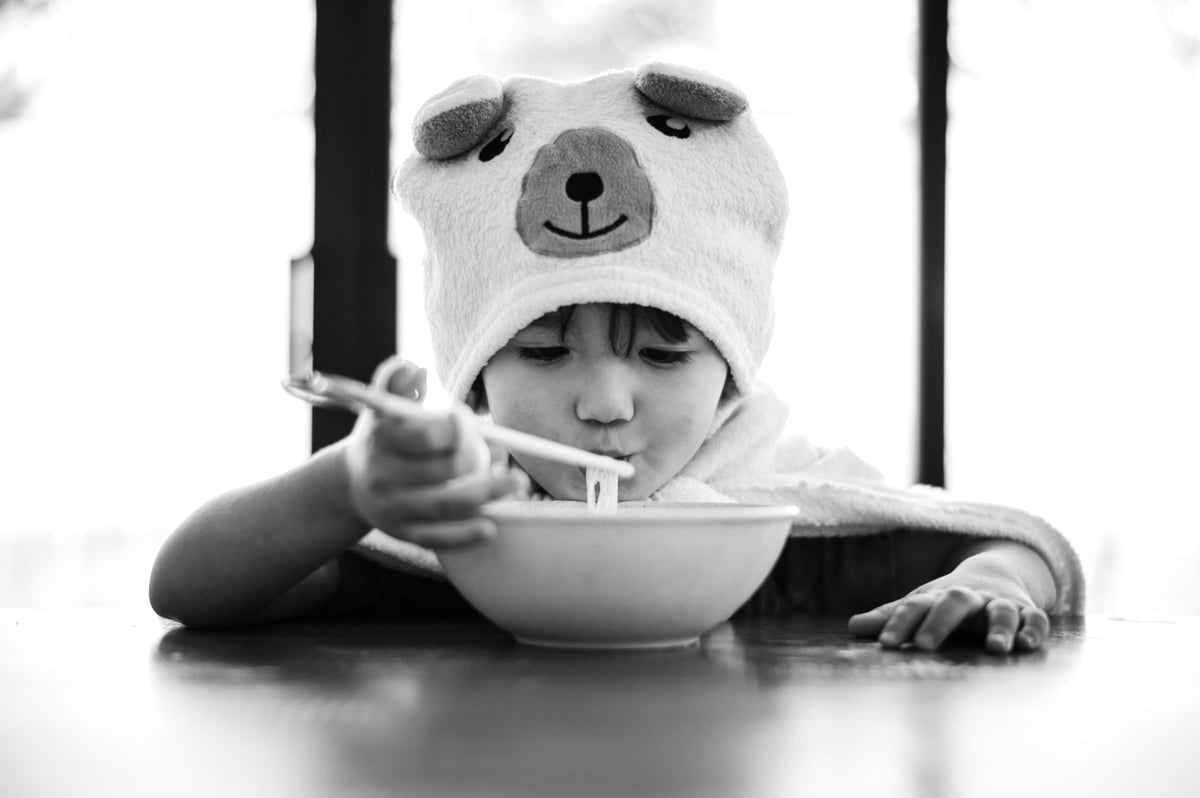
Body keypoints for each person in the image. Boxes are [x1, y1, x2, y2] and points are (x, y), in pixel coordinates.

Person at [150, 63, 1083, 650]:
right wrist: (346, 485)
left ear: (731, 369)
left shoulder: (782, 510)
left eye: (666, 354)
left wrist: (988, 582)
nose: (604, 402)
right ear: (475, 375)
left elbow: (1016, 540)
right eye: (547, 349)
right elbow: (188, 587)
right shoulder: (458, 511)